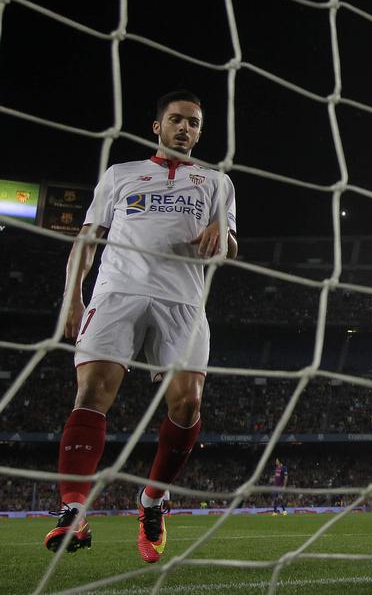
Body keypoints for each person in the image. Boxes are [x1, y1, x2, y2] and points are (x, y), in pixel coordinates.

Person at [46, 90, 237, 564]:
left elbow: (230, 244)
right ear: (158, 126)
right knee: (92, 393)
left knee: (188, 402)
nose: (185, 129)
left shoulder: (217, 182)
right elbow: (88, 238)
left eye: (193, 122)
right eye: (176, 120)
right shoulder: (121, 175)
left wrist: (223, 240)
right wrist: (74, 297)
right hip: (118, 292)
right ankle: (72, 509)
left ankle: (152, 502)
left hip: (183, 301)